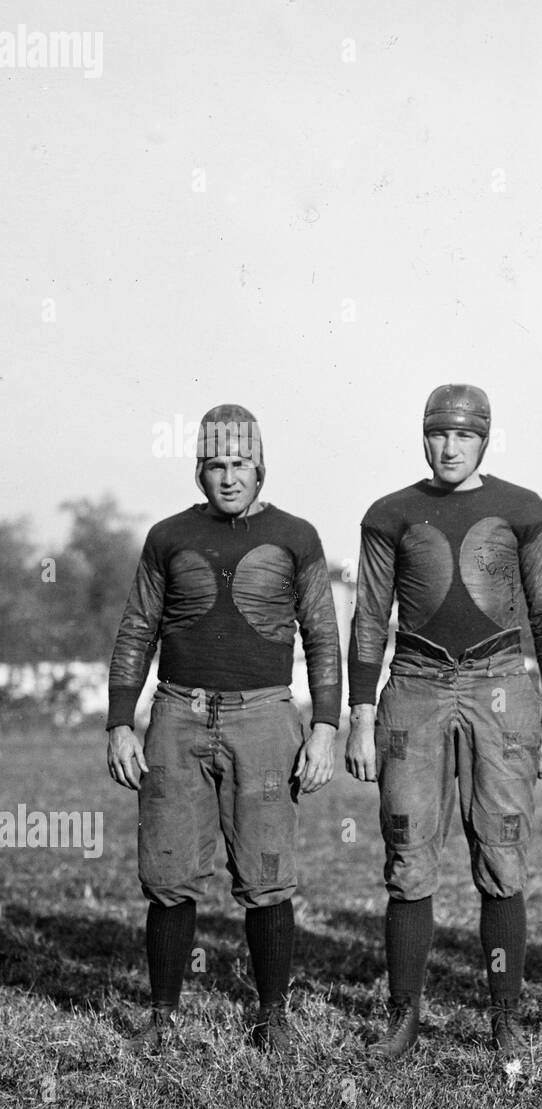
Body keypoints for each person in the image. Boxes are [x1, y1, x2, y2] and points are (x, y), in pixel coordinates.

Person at [346, 384, 542, 1062]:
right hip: (413, 685)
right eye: (438, 433)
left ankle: (505, 1020)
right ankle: (402, 1019)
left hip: (499, 683)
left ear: (484, 439)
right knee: (409, 857)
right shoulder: (391, 513)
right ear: (423, 436)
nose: (449, 447)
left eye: (463, 435)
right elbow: (368, 620)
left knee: (501, 858)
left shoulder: (522, 509)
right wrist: (360, 716)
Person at [106, 404, 341, 1053]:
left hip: (264, 717)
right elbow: (136, 631)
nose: (229, 476)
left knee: (267, 873)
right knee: (170, 870)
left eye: (240, 463)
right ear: (199, 469)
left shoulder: (297, 535)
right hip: (178, 713)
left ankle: (272, 1014)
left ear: (259, 467)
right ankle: (161, 1014)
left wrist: (324, 727)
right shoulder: (167, 536)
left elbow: (323, 636)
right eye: (216, 464)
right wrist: (120, 724)